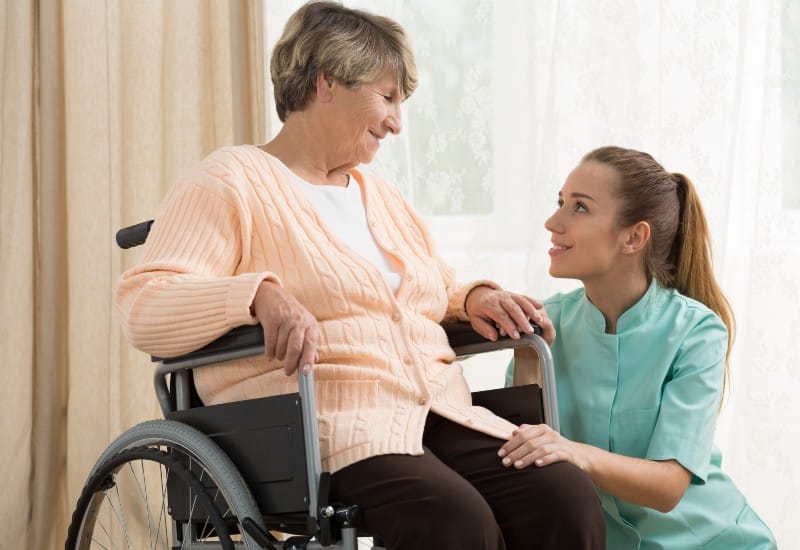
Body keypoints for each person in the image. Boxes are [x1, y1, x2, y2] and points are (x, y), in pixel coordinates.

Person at [116, 2, 605, 548]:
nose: (397, 122)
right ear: (327, 83)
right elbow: (145, 303)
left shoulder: (381, 195)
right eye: (388, 97)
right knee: (455, 524)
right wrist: (258, 296)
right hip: (327, 426)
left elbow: (426, 289)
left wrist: (475, 298)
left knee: (564, 499)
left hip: (439, 409)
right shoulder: (230, 180)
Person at [504, 145, 776, 548]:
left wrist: (572, 451)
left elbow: (667, 486)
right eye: (560, 202)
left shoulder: (697, 332)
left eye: (579, 208)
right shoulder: (544, 326)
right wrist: (526, 355)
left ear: (634, 237)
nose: (552, 221)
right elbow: (521, 455)